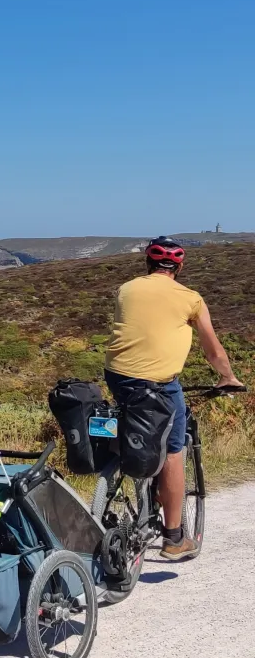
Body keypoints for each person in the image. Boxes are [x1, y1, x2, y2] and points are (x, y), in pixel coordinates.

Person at [104, 236, 243, 561]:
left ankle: (131, 478)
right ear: (178, 267)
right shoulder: (190, 298)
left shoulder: (127, 289)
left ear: (148, 264)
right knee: (174, 451)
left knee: (137, 419)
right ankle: (174, 538)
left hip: (118, 377)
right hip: (159, 384)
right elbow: (213, 350)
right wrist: (228, 377)